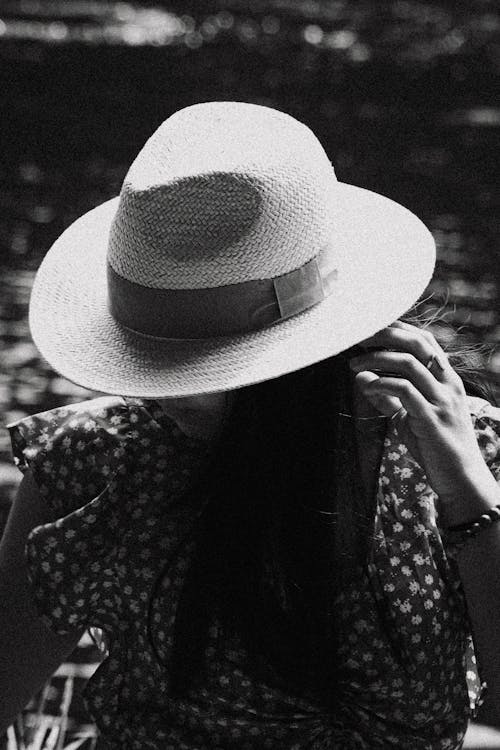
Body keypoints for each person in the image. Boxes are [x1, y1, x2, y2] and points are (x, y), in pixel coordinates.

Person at [1, 101, 500, 750]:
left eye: (191, 367)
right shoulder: (97, 464)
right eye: (154, 360)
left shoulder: (462, 456)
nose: (153, 392)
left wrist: (468, 496)